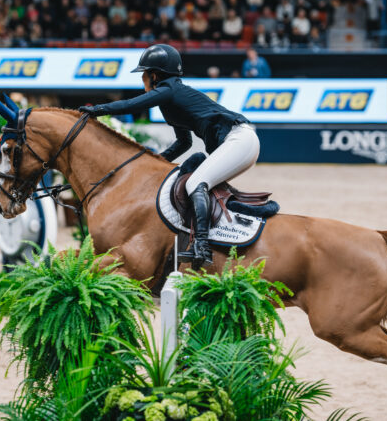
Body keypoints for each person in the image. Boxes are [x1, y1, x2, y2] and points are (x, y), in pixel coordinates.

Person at [78, 44, 259, 269]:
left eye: (143, 75)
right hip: (239, 141)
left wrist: (96, 110)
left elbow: (130, 105)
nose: (142, 79)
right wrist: (153, 162)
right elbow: (185, 142)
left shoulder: (169, 89)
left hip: (239, 139)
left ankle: (201, 245)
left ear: (154, 76)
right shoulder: (170, 100)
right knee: (199, 183)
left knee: (195, 183)